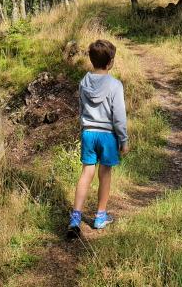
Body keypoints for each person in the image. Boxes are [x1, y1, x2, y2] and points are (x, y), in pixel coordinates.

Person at [67, 39, 129, 238]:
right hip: (107, 136)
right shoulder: (115, 85)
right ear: (110, 62)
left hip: (88, 133)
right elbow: (119, 116)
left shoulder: (83, 82)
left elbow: (81, 109)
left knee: (86, 173)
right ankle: (100, 216)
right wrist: (123, 140)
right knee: (105, 174)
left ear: (92, 60)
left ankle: (75, 218)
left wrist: (84, 126)